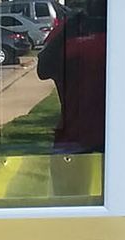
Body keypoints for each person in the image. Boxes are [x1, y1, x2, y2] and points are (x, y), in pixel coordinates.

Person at [36, 1, 106, 155]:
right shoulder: (70, 32)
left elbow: (43, 69)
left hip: (111, 139)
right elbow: (43, 69)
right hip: (74, 140)